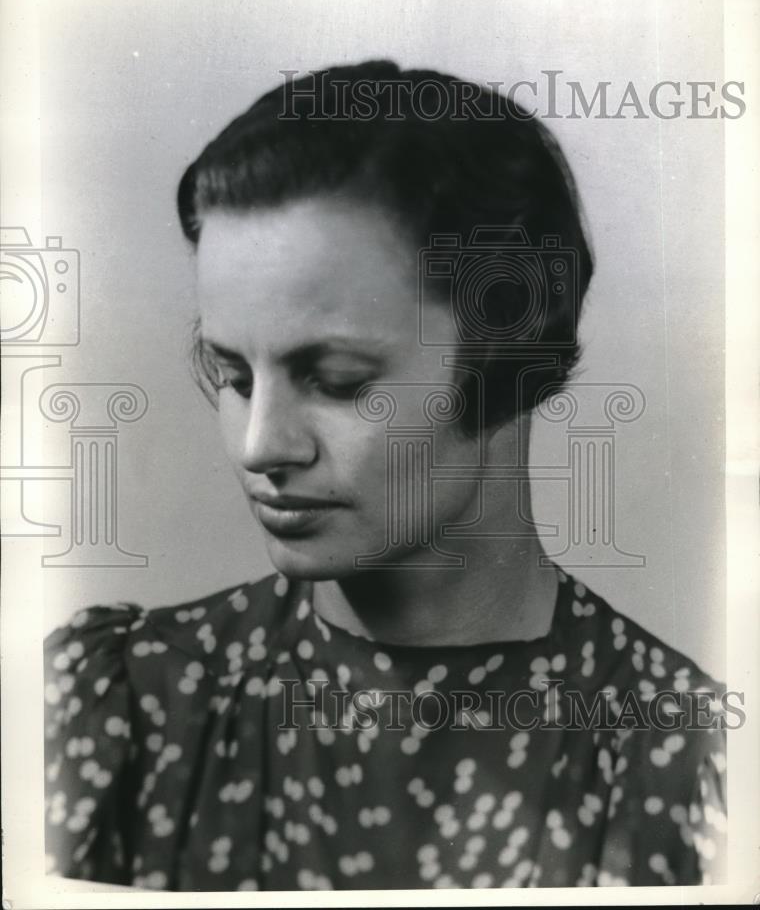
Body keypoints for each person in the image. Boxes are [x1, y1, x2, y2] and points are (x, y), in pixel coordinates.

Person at [44, 61, 727, 891]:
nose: (261, 446)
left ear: (506, 360)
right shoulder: (122, 706)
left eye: (335, 380)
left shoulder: (683, 757)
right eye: (234, 376)